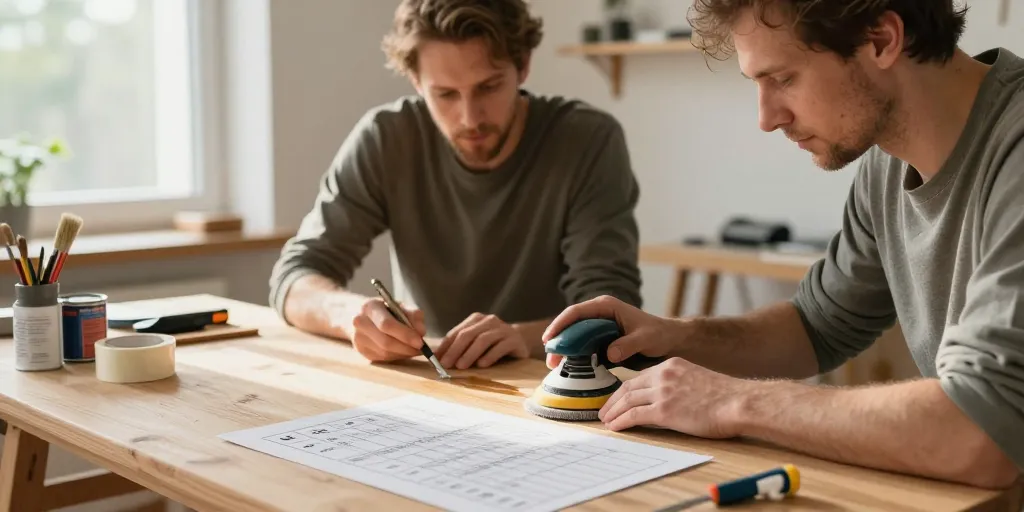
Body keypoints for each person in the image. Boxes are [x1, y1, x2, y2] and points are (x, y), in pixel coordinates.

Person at [543, 0, 1024, 490]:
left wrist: (733, 402)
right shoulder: (888, 166)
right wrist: (672, 337)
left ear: (881, 39)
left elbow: (980, 430)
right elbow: (816, 326)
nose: (767, 118)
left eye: (784, 79)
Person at [268, 0, 642, 371]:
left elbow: (613, 312)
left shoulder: (587, 141)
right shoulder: (386, 138)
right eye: (445, 94)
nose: (470, 117)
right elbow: (294, 277)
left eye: (489, 86)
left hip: (550, 382)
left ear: (523, 65)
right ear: (416, 81)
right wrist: (351, 315)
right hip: (425, 381)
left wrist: (522, 337)